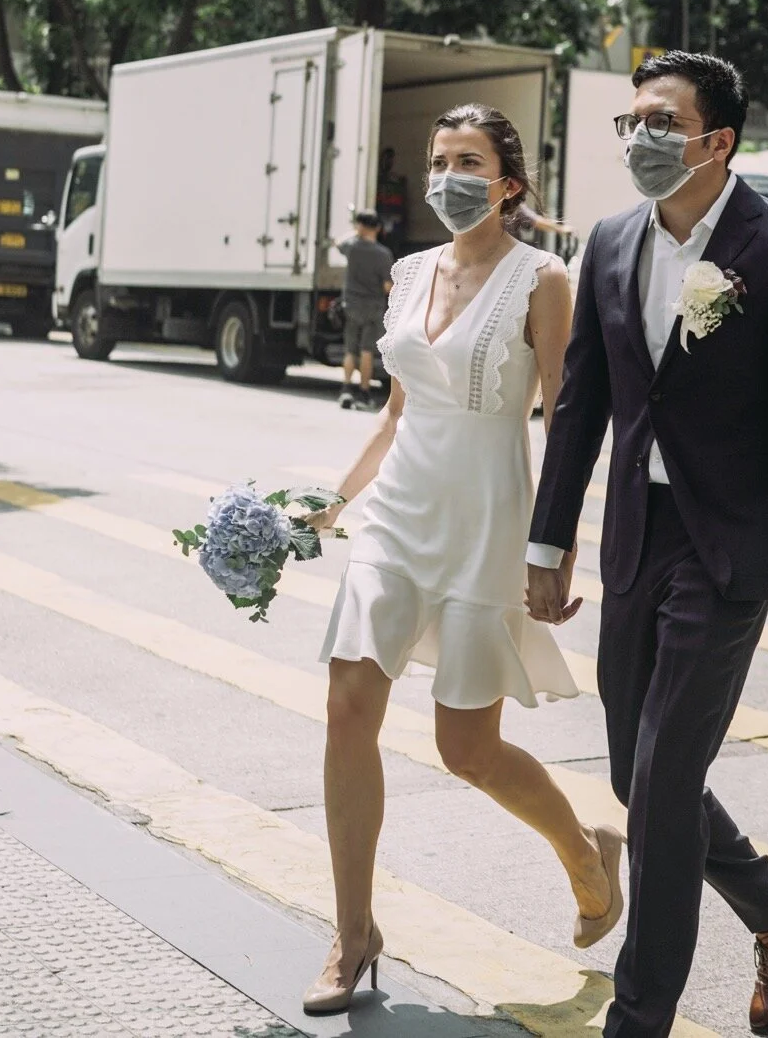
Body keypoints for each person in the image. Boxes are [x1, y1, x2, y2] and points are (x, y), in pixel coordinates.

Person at [526, 52, 768, 1038]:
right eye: (629, 122)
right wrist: (548, 543)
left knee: (661, 787)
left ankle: (640, 1019)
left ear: (716, 140)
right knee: (639, 777)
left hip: (725, 554)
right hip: (637, 538)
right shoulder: (613, 240)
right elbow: (581, 401)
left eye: (659, 122)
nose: (638, 138)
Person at [302, 104, 623, 1015]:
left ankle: (585, 849)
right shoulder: (407, 273)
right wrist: (334, 498)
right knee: (344, 708)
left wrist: (555, 548)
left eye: (469, 161)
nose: (449, 176)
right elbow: (396, 412)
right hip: (397, 518)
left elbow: (564, 417)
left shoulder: (542, 279)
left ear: (508, 184)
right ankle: (354, 932)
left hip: (487, 520)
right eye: (440, 160)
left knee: (466, 748)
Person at [337, 212, 394, 410]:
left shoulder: (351, 248)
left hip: (351, 305)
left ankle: (346, 389)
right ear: (378, 228)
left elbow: (338, 242)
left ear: (360, 226)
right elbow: (388, 287)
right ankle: (364, 392)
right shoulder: (383, 254)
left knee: (350, 350)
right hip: (373, 307)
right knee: (367, 351)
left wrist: (356, 231)